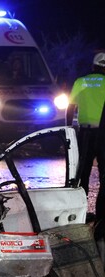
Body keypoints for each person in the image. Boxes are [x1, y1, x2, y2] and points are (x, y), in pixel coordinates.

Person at [66, 52, 105, 219]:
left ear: (93, 66)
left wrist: (68, 129)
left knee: (83, 173)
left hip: (86, 134)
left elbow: (70, 107)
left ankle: (79, 214)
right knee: (104, 174)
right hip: (103, 134)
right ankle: (101, 215)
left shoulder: (81, 82)